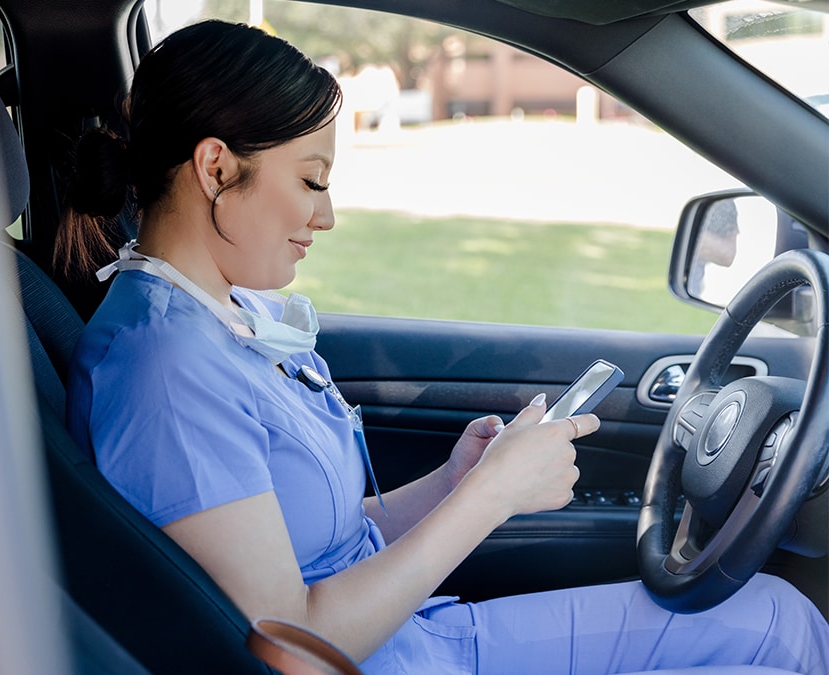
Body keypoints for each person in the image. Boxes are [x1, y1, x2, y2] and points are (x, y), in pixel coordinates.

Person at [60, 20, 829, 674]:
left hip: (420, 638)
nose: (325, 217)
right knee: (776, 637)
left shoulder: (219, 315)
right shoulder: (166, 369)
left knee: (779, 621)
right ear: (217, 167)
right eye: (311, 180)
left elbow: (316, 537)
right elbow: (289, 648)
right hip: (399, 656)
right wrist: (491, 499)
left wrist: (456, 483)